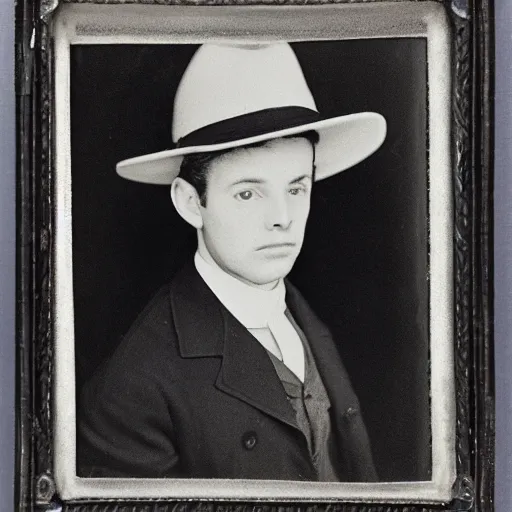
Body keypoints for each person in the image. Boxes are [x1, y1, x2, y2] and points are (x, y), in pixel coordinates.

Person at [78, 43, 386, 481]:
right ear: (190, 203)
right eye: (248, 193)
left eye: (296, 188)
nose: (282, 219)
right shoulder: (135, 387)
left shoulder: (302, 316)